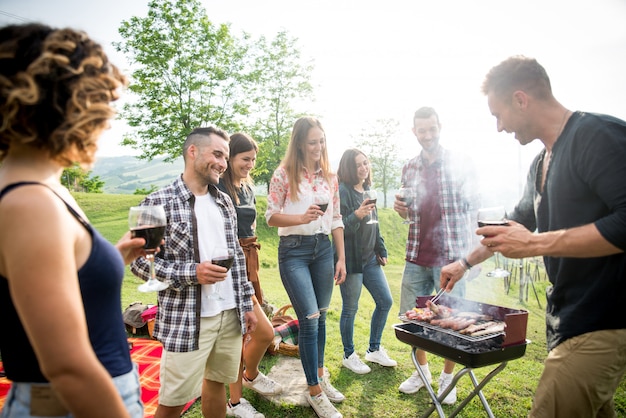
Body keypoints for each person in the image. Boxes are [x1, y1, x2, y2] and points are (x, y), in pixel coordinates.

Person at [440, 55, 626, 418]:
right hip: (568, 319)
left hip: (603, 319)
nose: (499, 127)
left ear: (521, 99)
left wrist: (537, 243)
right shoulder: (540, 163)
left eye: (498, 114)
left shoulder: (596, 135)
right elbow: (511, 225)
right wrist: (463, 263)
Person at [0, 23, 148, 418]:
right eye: (98, 105)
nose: (105, 124)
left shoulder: (39, 187)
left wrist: (114, 257)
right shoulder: (30, 202)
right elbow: (67, 367)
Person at [130, 126, 258, 418]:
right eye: (216, 154)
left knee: (216, 386)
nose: (223, 163)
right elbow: (139, 263)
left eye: (225, 157)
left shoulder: (224, 201)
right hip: (188, 320)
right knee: (173, 402)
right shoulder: (157, 202)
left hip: (229, 314)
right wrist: (192, 273)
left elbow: (237, 257)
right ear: (192, 152)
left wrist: (247, 303)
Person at [394, 107, 480, 404]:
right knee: (414, 321)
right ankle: (422, 373)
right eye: (422, 130)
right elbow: (410, 216)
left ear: (440, 127)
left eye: (432, 129)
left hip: (451, 258)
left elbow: (473, 213)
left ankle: (448, 378)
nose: (427, 135)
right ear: (414, 131)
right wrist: (402, 211)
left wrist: (471, 258)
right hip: (417, 254)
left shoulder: (460, 164)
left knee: (451, 319)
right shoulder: (409, 168)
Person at [265, 116, 346, 418]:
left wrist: (341, 258)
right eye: (312, 141)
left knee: (321, 318)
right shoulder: (283, 174)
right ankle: (313, 391)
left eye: (321, 141)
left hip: (323, 250)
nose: (318, 146)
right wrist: (300, 218)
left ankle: (321, 377)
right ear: (299, 143)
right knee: (309, 319)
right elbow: (271, 216)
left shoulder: (330, 176)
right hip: (294, 253)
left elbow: (336, 219)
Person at [217, 132, 283, 418]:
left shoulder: (245, 187)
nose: (250, 165)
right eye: (245, 159)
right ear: (230, 157)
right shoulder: (219, 188)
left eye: (253, 160)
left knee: (257, 332)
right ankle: (234, 401)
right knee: (249, 333)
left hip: (250, 260)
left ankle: (250, 376)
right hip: (232, 265)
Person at [335, 148, 397, 374]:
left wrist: (381, 248)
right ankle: (349, 354)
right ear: (349, 168)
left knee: (385, 301)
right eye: (358, 165)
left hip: (371, 260)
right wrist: (356, 215)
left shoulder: (368, 191)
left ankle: (374, 349)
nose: (363, 168)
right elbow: (338, 227)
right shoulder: (343, 191)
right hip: (352, 260)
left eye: (366, 163)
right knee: (350, 308)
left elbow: (375, 224)